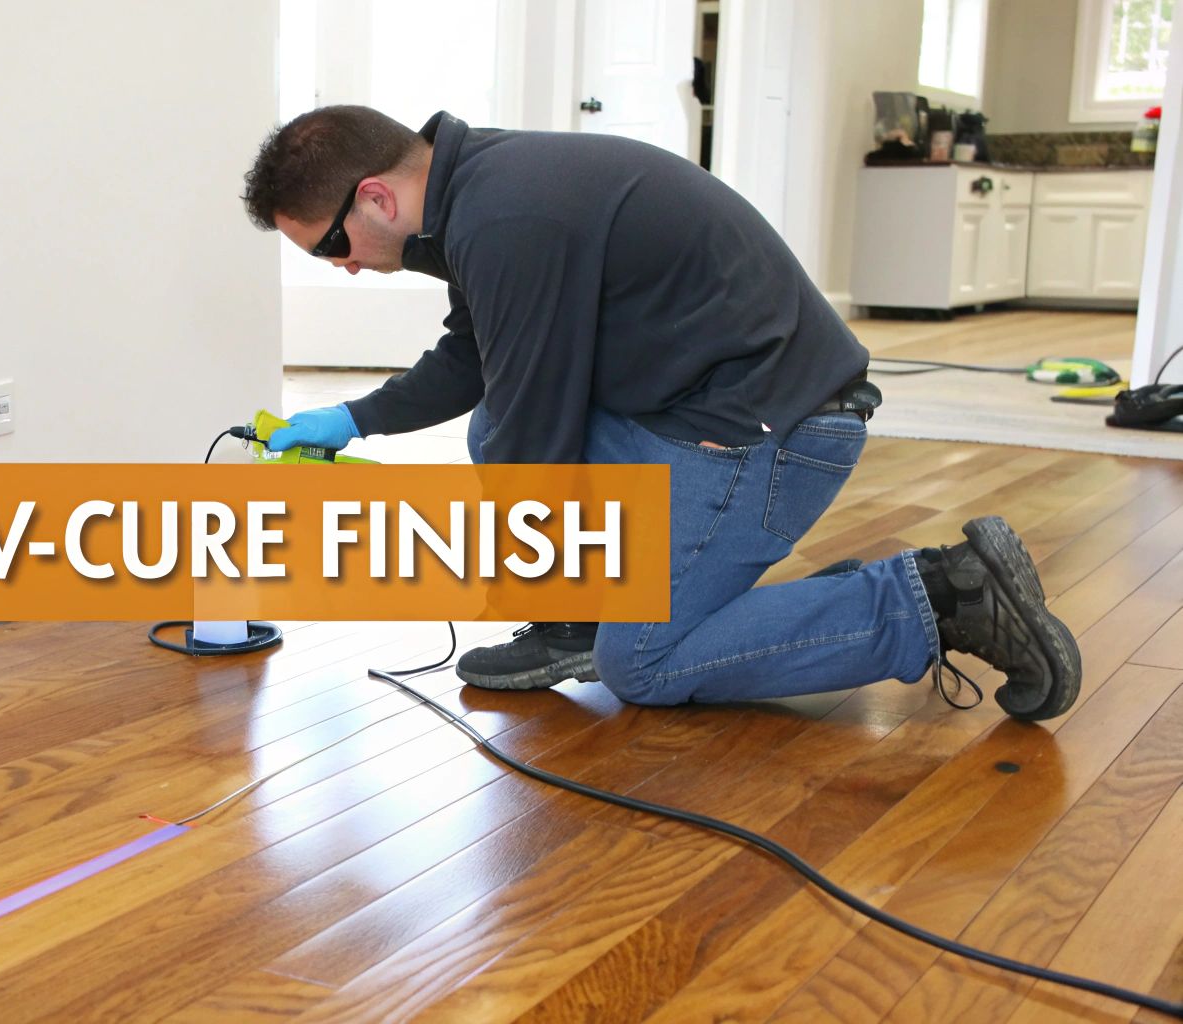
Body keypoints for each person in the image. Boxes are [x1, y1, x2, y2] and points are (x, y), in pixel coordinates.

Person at [239, 105, 1081, 721]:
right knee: (491, 425)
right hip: (714, 406)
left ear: (376, 199)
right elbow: (479, 360)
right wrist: (352, 419)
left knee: (642, 663)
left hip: (776, 429)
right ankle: (576, 616)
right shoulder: (481, 193)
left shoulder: (507, 219)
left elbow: (541, 427)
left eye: (329, 248)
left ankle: (939, 598)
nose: (341, 269)